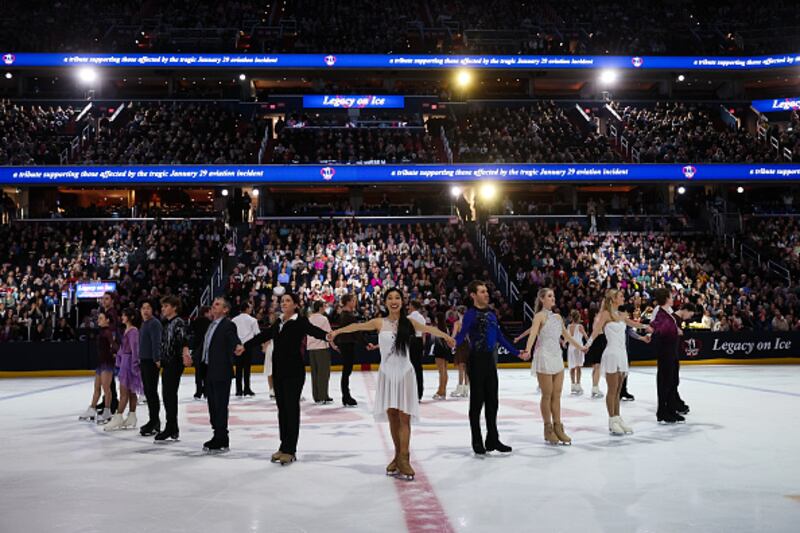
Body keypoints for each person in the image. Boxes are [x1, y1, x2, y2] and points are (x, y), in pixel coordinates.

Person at [329, 288, 455, 480]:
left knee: (404, 417)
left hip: (405, 373)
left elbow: (430, 329)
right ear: (385, 302)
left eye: (397, 298)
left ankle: (405, 458)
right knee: (393, 416)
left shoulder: (409, 323)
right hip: (387, 374)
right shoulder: (379, 322)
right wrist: (337, 331)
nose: (394, 301)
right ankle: (397, 456)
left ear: (402, 302)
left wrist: (447, 337)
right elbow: (357, 327)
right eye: (390, 298)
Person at [245, 293, 330, 465]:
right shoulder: (279, 322)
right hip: (279, 372)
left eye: (288, 301)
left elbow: (314, 331)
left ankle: (291, 450)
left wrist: (329, 336)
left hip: (294, 372)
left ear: (295, 305)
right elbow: (265, 335)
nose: (284, 303)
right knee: (282, 410)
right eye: (282, 301)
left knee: (291, 410)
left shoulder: (300, 321)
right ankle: (283, 446)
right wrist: (245, 346)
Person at [454, 281, 528, 455]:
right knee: (477, 402)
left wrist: (517, 353)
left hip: (489, 361)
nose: (486, 294)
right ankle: (477, 441)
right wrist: (452, 343)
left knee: (493, 402)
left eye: (486, 291)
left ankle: (492, 439)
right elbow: (462, 335)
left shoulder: (492, 314)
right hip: (476, 361)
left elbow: (499, 337)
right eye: (482, 291)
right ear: (473, 295)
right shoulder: (471, 314)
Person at [521, 289, 587, 445]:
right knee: (547, 395)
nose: (553, 298)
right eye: (549, 296)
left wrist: (580, 347)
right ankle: (548, 428)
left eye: (553, 296)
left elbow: (567, 336)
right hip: (544, 357)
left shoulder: (557, 317)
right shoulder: (539, 316)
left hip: (557, 357)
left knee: (557, 395)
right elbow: (533, 335)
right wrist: (528, 349)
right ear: (542, 299)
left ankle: (558, 427)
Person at [586, 290, 652, 435]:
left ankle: (618, 418)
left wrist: (646, 328)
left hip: (622, 354)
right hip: (611, 354)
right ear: (614, 299)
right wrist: (587, 345)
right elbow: (596, 331)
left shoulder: (622, 314)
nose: (623, 298)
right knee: (612, 389)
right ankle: (612, 420)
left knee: (618, 391)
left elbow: (633, 324)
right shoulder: (605, 314)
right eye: (621, 296)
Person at [194, 297, 245, 452]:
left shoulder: (228, 325)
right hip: (208, 370)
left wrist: (237, 345)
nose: (213, 306)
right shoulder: (211, 325)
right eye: (213, 304)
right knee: (213, 405)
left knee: (220, 405)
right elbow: (205, 347)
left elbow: (233, 338)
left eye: (217, 304)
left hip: (221, 370)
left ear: (225, 310)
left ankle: (222, 436)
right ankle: (218, 434)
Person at [650, 289, 694, 423]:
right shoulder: (661, 313)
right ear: (666, 298)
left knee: (671, 381)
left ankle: (671, 409)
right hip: (665, 352)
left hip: (671, 352)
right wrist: (675, 330)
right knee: (665, 382)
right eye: (671, 296)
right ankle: (662, 412)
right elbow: (657, 329)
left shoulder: (668, 313)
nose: (673, 298)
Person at [155, 295, 191, 443]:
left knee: (169, 394)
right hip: (168, 363)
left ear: (174, 307)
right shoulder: (167, 323)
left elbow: (183, 340)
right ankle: (173, 427)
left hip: (175, 362)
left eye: (166, 306)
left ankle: (171, 427)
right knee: (168, 395)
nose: (163, 309)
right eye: (163, 306)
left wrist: (185, 353)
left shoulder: (178, 323)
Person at [105, 308, 143, 431]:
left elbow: (134, 349)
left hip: (129, 363)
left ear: (130, 317)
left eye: (124, 315)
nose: (122, 317)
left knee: (124, 393)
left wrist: (134, 365)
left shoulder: (133, 331)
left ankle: (118, 416)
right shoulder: (128, 330)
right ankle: (132, 416)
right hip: (126, 361)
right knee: (131, 392)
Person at [78, 311, 117, 424]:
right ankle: (92, 408)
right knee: (97, 388)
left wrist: (118, 353)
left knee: (106, 388)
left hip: (107, 363)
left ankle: (107, 411)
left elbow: (114, 346)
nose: (98, 320)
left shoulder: (108, 332)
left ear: (107, 320)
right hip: (101, 363)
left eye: (101, 318)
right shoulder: (102, 332)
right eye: (98, 318)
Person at [138, 300, 163, 436]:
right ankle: (153, 420)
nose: (145, 310)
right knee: (148, 392)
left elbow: (156, 342)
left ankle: (155, 421)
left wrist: (157, 359)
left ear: (152, 310)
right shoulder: (144, 324)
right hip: (144, 361)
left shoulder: (154, 323)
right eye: (143, 308)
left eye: (148, 308)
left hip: (151, 362)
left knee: (151, 392)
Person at [334, 294, 361, 407]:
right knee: (346, 371)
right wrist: (366, 343)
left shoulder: (344, 314)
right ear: (348, 302)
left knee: (347, 371)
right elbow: (356, 330)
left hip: (345, 343)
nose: (355, 303)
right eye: (353, 301)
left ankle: (346, 396)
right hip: (347, 344)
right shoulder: (348, 316)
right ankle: (346, 396)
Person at [232, 302, 260, 397]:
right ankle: (247, 389)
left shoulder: (234, 320)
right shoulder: (253, 320)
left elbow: (232, 334)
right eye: (250, 307)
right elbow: (257, 334)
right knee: (247, 369)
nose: (251, 309)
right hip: (248, 347)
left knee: (238, 368)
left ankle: (238, 390)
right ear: (247, 309)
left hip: (237, 346)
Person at [307, 301, 333, 404]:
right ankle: (323, 396)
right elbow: (329, 334)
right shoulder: (323, 319)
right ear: (321, 308)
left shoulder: (309, 318)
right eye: (324, 306)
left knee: (315, 373)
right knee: (323, 373)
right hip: (321, 348)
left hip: (311, 349)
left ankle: (317, 396)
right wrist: (334, 345)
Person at [407, 300, 427, 401]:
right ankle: (419, 393)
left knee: (410, 368)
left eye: (409, 305)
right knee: (418, 368)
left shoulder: (409, 318)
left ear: (412, 306)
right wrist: (422, 346)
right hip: (419, 341)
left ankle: (411, 394)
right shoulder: (422, 318)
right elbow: (424, 334)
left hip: (411, 342)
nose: (408, 307)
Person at [191, 306, 212, 400]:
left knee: (198, 372)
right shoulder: (210, 323)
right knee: (206, 371)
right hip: (206, 349)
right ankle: (207, 391)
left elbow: (190, 332)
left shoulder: (195, 321)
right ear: (206, 312)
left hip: (197, 349)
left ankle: (198, 391)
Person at [450, 306, 470, 398]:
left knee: (461, 367)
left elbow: (454, 335)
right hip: (469, 345)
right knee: (467, 368)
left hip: (461, 345)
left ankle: (460, 388)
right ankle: (466, 389)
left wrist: (451, 343)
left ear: (458, 313)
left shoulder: (457, 323)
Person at [566, 310, 587, 395]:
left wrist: (563, 343)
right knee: (578, 367)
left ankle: (573, 385)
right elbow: (586, 336)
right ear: (578, 317)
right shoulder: (580, 326)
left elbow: (567, 338)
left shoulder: (568, 326)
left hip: (571, 348)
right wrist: (588, 344)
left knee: (572, 367)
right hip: (578, 348)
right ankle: (578, 385)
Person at [431, 312, 451, 400]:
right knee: (445, 371)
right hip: (446, 350)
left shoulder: (435, 329)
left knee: (441, 372)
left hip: (439, 350)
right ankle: (443, 391)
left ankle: (440, 391)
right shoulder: (446, 328)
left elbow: (432, 339)